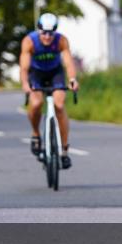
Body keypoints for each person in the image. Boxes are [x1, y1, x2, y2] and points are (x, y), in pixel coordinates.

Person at [20, 13, 79, 169]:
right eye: (44, 32)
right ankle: (36, 134)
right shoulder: (29, 42)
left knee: (59, 105)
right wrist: (25, 83)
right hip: (36, 74)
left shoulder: (61, 40)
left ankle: (64, 150)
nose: (47, 36)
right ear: (38, 30)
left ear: (55, 31)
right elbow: (24, 67)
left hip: (55, 73)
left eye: (51, 32)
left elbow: (68, 63)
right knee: (36, 102)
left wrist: (72, 80)